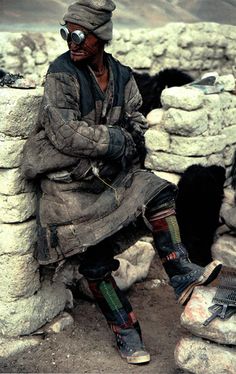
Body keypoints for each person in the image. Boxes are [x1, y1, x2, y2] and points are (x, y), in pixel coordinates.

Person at [21, 0, 222, 365]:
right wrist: (116, 141)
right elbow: (65, 135)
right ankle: (124, 328)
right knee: (95, 264)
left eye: (79, 34)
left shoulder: (122, 75)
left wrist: (118, 141)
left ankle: (180, 272)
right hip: (69, 191)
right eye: (66, 32)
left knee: (158, 191)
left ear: (101, 36)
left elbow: (137, 123)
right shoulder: (60, 76)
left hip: (110, 180)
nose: (72, 41)